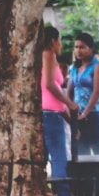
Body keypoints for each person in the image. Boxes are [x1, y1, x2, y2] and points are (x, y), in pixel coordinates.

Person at [39, 26, 74, 181]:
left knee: (43, 157)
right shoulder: (48, 54)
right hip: (50, 115)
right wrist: (69, 102)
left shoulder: (43, 56)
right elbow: (49, 84)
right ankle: (62, 194)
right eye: (59, 41)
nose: (60, 45)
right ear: (53, 41)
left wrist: (71, 120)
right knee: (59, 158)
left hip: (50, 113)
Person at [69, 32, 99, 156]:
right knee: (82, 155)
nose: (78, 50)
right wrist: (72, 114)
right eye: (76, 47)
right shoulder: (73, 68)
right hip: (78, 117)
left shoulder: (97, 66)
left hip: (94, 116)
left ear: (91, 48)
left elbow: (97, 91)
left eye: (82, 47)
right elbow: (70, 92)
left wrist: (85, 113)